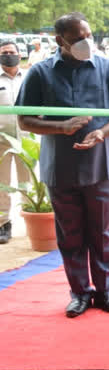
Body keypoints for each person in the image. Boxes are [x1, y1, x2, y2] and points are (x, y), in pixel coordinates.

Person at [16, 12, 109, 318]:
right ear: (60, 41)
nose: (86, 42)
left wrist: (102, 131)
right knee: (70, 233)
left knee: (103, 230)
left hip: (101, 165)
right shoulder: (40, 72)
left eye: (88, 35)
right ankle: (80, 293)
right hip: (61, 167)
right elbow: (25, 119)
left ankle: (107, 290)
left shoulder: (108, 68)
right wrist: (62, 126)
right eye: (78, 38)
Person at [0, 41, 30, 245]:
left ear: (20, 55)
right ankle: (3, 224)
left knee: (27, 182)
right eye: (4, 53)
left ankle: (31, 218)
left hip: (27, 139)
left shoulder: (29, 78)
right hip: (1, 140)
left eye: (12, 52)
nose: (8, 55)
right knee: (2, 185)